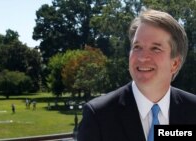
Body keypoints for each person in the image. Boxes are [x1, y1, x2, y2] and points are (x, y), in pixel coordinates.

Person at [77, 9, 196, 141]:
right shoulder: (99, 116)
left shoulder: (193, 110)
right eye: (137, 47)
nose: (143, 58)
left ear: (175, 64)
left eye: (155, 48)